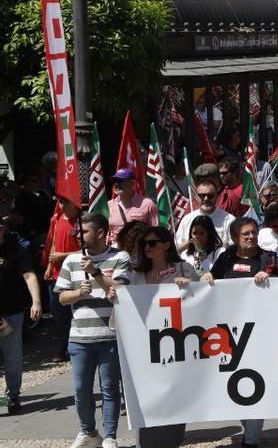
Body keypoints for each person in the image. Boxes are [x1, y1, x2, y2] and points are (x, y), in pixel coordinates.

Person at [54, 213, 129, 448]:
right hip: (79, 337)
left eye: (84, 231)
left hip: (110, 336)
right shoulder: (71, 261)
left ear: (100, 232)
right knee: (80, 390)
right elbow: (62, 298)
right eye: (79, 231)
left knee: (109, 389)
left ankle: (109, 437)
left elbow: (121, 289)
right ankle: (88, 432)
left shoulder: (120, 257)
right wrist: (79, 293)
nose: (79, 236)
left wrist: (96, 272)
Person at [124, 225, 199, 447]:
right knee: (147, 397)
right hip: (147, 346)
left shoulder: (183, 269)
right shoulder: (137, 274)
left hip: (178, 343)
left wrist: (190, 287)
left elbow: (203, 301)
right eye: (144, 244)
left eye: (152, 243)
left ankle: (173, 440)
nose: (147, 247)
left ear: (166, 245)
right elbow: (129, 306)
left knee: (175, 396)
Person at [0, 213, 40, 415]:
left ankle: (13, 395)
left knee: (12, 358)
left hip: (10, 312)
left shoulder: (14, 248)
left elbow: (29, 275)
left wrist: (36, 301)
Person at [174, 179, 235, 251]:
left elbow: (233, 248)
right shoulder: (187, 219)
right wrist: (191, 242)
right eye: (202, 196)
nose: (206, 199)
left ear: (217, 196)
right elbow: (176, 248)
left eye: (210, 196)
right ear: (196, 197)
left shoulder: (229, 220)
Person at [105, 168, 156, 244]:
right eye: (114, 181)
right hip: (115, 251)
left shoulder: (148, 204)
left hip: (138, 250)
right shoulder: (109, 205)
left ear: (132, 183)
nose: (116, 184)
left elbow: (155, 230)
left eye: (120, 181)